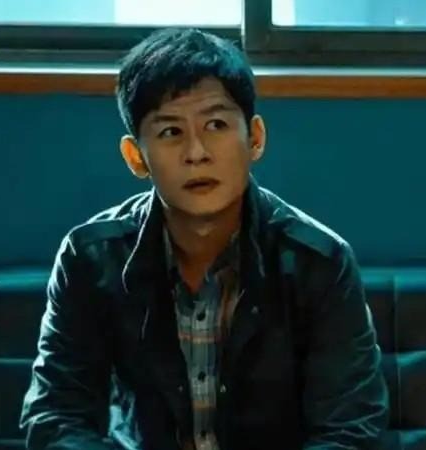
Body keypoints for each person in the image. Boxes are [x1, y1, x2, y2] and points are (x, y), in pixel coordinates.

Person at [19, 27, 388, 450]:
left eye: (216, 124)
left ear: (255, 138)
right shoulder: (91, 257)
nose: (197, 153)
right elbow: (55, 417)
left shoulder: (318, 261)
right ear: (136, 157)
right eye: (170, 132)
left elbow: (351, 429)